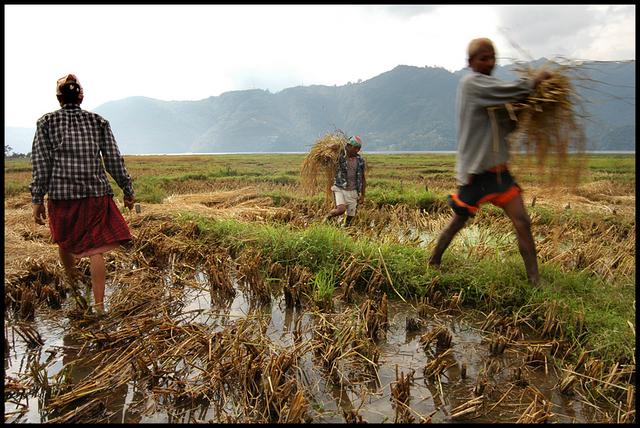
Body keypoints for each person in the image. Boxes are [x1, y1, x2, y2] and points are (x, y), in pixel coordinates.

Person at [428, 38, 552, 286]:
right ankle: (433, 262)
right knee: (458, 222)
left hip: (499, 174)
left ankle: (535, 281)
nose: (489, 63)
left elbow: (510, 126)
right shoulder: (472, 84)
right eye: (483, 58)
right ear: (470, 62)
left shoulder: (493, 97)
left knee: (523, 222)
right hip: (477, 174)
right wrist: (533, 83)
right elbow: (508, 91)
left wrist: (524, 108)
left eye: (492, 58)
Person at [30, 74, 136, 314]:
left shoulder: (46, 122)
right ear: (81, 96)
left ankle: (77, 292)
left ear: (58, 98)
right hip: (95, 194)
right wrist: (127, 190)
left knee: (64, 240)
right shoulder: (98, 121)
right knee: (96, 248)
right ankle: (99, 307)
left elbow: (41, 164)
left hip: (61, 195)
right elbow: (113, 160)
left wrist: (37, 199)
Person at [325, 135, 367, 226]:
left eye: (358, 148)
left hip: (354, 191)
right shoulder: (339, 157)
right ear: (348, 146)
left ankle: (345, 232)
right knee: (341, 209)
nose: (357, 150)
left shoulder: (360, 160)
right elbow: (326, 155)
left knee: (350, 217)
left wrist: (363, 195)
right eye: (355, 148)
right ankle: (327, 218)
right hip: (340, 188)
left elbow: (363, 178)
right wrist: (333, 147)